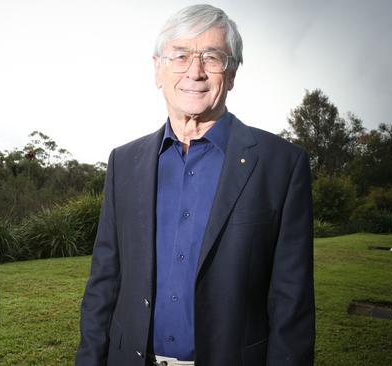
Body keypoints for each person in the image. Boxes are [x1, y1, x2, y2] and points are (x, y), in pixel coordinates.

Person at [76, 4, 314, 366]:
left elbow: (291, 302)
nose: (195, 71)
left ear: (231, 74)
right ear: (158, 69)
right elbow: (104, 283)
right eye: (181, 55)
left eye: (212, 57)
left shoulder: (281, 164)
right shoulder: (124, 162)